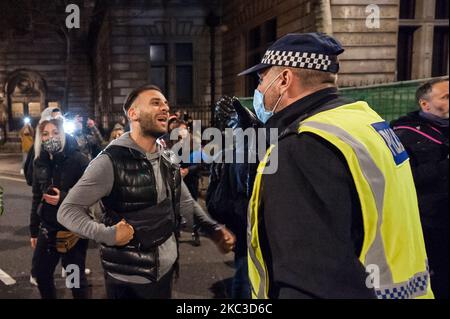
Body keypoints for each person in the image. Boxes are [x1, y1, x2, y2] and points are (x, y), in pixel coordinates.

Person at [237, 32, 433, 299]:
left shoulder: (303, 147)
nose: (258, 90)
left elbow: (310, 278)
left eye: (261, 79)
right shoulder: (364, 122)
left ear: (284, 79)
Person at [57, 84, 235, 299]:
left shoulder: (167, 156)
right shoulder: (109, 161)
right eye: (155, 103)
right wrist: (108, 235)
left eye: (166, 104)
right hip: (129, 279)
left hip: (165, 270)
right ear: (133, 114)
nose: (165, 108)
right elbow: (67, 210)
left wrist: (212, 229)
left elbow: (183, 201)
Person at [391, 78, 449, 299]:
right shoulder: (404, 133)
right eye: (445, 97)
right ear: (425, 105)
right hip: (427, 226)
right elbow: (404, 179)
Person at [30, 118, 90, 299]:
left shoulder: (78, 159)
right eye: (46, 134)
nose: (51, 138)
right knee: (41, 274)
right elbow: (36, 197)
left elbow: (92, 193)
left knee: (74, 279)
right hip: (48, 229)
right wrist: (33, 230)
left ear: (63, 134)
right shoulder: (39, 161)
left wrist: (63, 198)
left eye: (55, 133)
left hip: (72, 231)